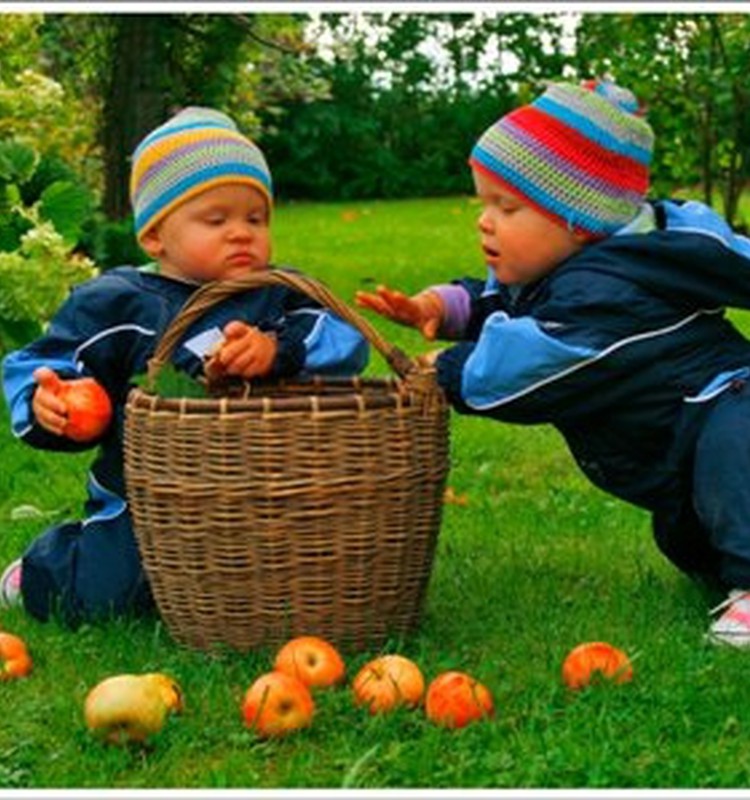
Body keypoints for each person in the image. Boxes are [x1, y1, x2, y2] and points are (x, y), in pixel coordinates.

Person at [356, 79, 750, 648]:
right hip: (677, 446)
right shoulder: (562, 270)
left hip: (725, 403)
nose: (484, 221)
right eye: (482, 202)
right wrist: (436, 307)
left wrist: (448, 370)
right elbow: (499, 300)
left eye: (506, 206)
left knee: (736, 448)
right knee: (689, 532)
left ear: (578, 219)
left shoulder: (607, 290)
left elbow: (542, 354)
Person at [1, 106, 369, 625]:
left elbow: (348, 338)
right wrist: (52, 403)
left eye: (255, 218)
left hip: (268, 492)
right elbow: (40, 362)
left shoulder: (276, 295)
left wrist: (277, 349)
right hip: (149, 499)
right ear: (155, 237)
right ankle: (45, 568)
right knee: (113, 593)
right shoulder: (117, 303)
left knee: (293, 578)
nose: (241, 233)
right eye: (216, 220)